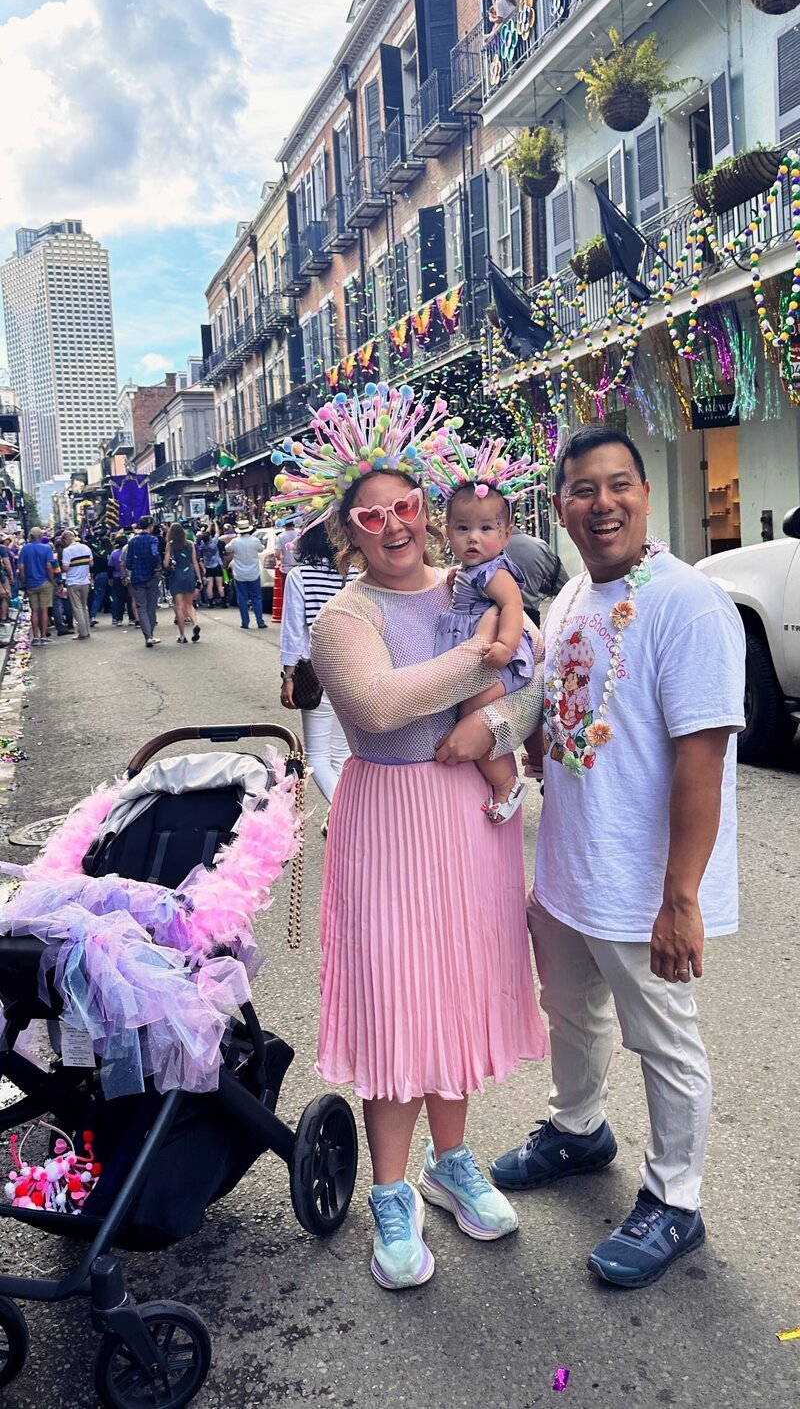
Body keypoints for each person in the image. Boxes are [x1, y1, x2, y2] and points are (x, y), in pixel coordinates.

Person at [273, 385, 547, 1292]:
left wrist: (497, 729)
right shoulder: (342, 617)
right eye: (371, 515)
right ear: (347, 528)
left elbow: (533, 681)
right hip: (388, 818)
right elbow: (378, 705)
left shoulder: (472, 582)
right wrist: (485, 654)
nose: (394, 526)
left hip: (470, 818)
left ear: (429, 507)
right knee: (397, 997)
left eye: (407, 506)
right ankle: (391, 1190)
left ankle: (453, 1158)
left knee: (457, 986)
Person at [490, 424, 746, 1290]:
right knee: (572, 1009)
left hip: (642, 880)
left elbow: (702, 758)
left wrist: (682, 896)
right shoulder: (566, 602)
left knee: (664, 1038)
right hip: (567, 867)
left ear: (644, 492)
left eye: (619, 485)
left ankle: (675, 1200)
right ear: (559, 505)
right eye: (582, 489)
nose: (602, 503)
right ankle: (578, 1128)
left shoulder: (687, 602)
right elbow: (565, 710)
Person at [432, 457, 538, 824]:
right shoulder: (469, 571)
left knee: (471, 717)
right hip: (482, 658)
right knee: (468, 712)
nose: (473, 537)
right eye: (462, 528)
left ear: (505, 534)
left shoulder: (494, 572)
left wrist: (506, 645)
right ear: (447, 532)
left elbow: (512, 606)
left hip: (501, 661)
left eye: (485, 528)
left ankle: (507, 783)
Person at [279, 521, 349, 834]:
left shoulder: (301, 576)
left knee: (317, 757)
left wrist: (288, 675)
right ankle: (337, 815)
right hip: (355, 671)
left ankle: (349, 815)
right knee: (343, 754)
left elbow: (294, 631)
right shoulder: (357, 574)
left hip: (318, 672)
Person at [505, 528, 569, 626]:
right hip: (528, 621)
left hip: (485, 622)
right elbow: (563, 586)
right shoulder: (539, 547)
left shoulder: (481, 548)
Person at [124, 516, 162, 647]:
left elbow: (128, 562)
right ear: (150, 526)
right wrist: (157, 567)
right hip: (151, 576)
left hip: (137, 577)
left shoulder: (132, 541)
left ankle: (148, 636)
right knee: (151, 606)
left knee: (141, 607)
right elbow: (154, 554)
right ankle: (151, 634)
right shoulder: (153, 539)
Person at [164, 523, 202, 644]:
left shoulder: (170, 545)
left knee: (179, 606)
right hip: (189, 573)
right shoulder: (190, 544)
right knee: (189, 604)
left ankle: (182, 635)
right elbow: (195, 562)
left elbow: (165, 564)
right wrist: (199, 578)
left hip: (177, 575)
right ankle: (195, 623)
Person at [18, 527, 55, 646]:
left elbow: (21, 568)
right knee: (44, 609)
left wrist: (24, 582)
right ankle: (43, 636)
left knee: (34, 610)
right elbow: (49, 566)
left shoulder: (25, 549)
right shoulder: (46, 548)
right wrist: (52, 580)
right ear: (40, 536)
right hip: (44, 582)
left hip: (30, 583)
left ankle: (35, 636)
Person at [225, 526, 266, 630]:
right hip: (254, 573)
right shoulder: (255, 540)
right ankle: (260, 622)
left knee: (242, 598)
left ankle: (245, 622)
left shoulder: (235, 542)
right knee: (256, 598)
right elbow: (261, 548)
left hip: (240, 574)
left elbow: (227, 548)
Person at [60, 529, 93, 640]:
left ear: (65, 540)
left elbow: (65, 567)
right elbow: (91, 563)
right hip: (85, 581)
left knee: (77, 608)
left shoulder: (67, 551)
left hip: (73, 582)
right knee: (84, 607)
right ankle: (87, 630)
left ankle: (82, 632)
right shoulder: (86, 548)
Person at [197, 523, 225, 607]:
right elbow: (217, 533)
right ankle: (223, 602)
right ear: (209, 537)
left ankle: (210, 602)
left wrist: (209, 525)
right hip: (216, 565)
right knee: (219, 585)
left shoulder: (202, 545)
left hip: (208, 566)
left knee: (210, 585)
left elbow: (206, 534)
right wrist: (215, 523)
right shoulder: (213, 543)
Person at [89, 530, 110, 626]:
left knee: (98, 596)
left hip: (98, 576)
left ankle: (92, 615)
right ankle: (116, 617)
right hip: (109, 575)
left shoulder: (97, 553)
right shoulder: (109, 553)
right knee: (113, 596)